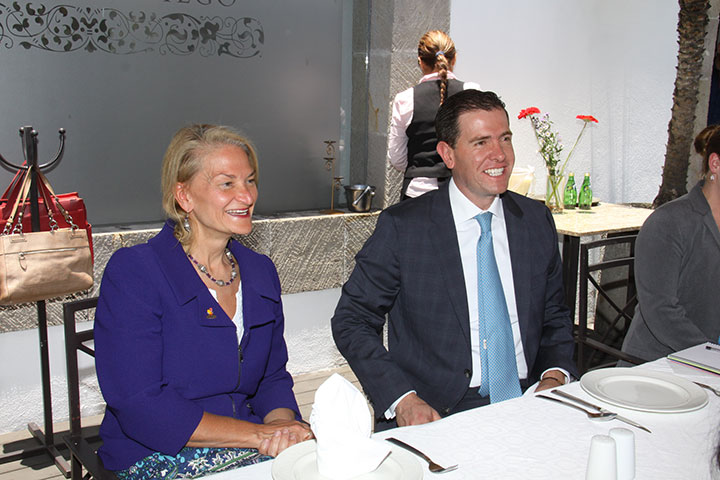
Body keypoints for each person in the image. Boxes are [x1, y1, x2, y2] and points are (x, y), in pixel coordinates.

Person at [332, 90, 577, 431]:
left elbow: (555, 316)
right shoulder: (405, 228)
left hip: (530, 398)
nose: (499, 154)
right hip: (438, 410)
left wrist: (553, 377)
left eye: (505, 138)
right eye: (481, 142)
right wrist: (403, 399)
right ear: (448, 154)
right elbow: (352, 320)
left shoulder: (535, 221)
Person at [94, 125, 312, 478]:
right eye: (227, 184)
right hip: (156, 451)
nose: (246, 196)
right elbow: (139, 403)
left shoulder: (260, 272)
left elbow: (271, 377)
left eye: (250, 181)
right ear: (185, 196)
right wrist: (258, 435)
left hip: (250, 442)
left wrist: (281, 428)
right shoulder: (136, 272)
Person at [621, 124, 720, 362]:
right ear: (715, 164)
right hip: (659, 365)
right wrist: (712, 357)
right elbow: (661, 311)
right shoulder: (669, 222)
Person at [387, 30, 480, 200]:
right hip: (462, 192)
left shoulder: (405, 99)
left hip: (417, 194)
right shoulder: (472, 92)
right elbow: (480, 146)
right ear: (454, 59)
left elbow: (397, 158)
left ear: (420, 62)